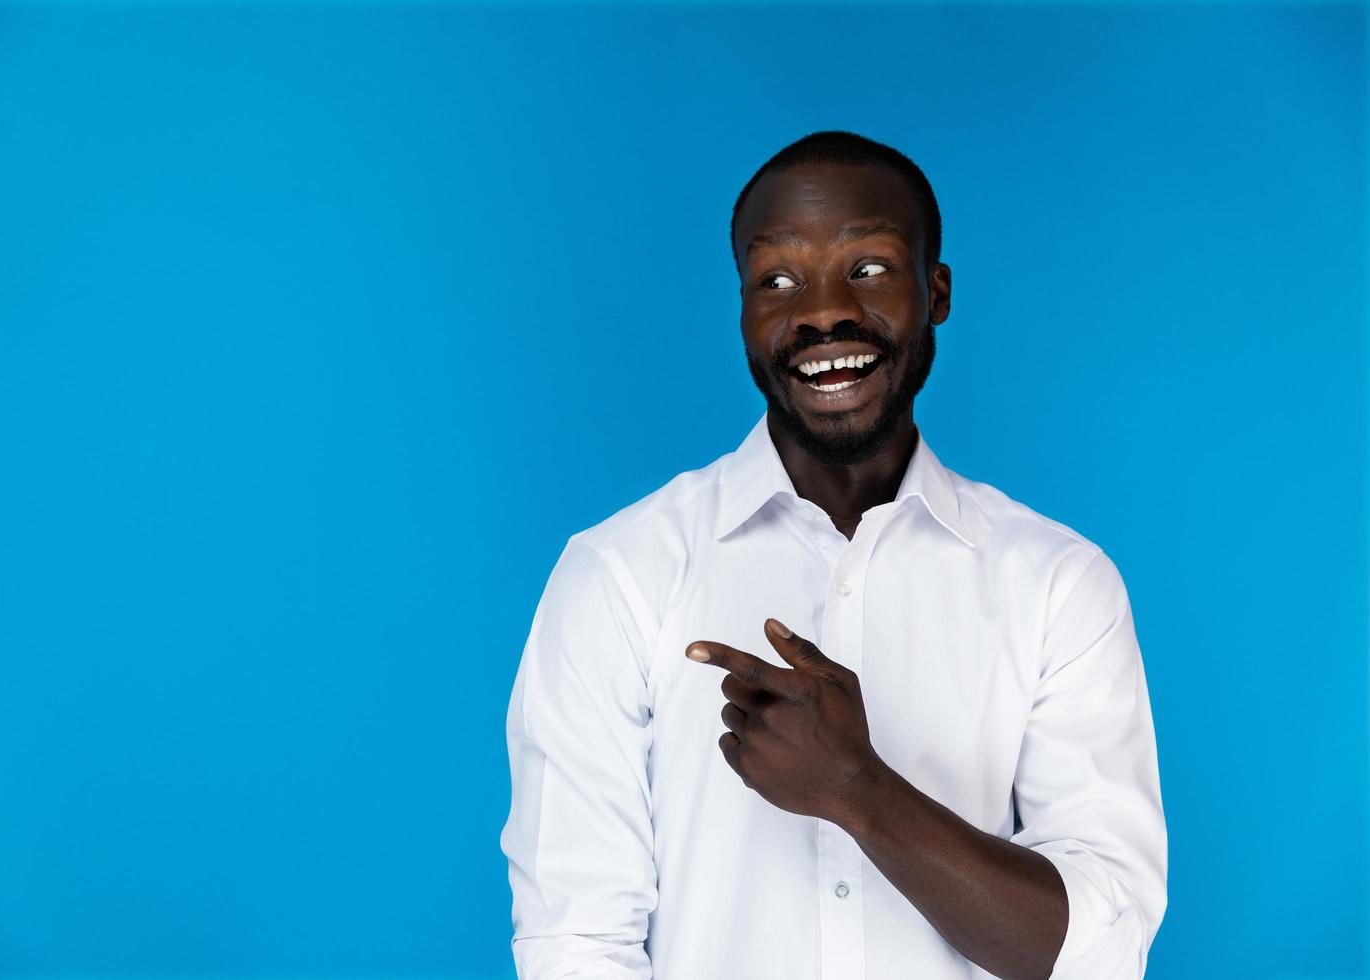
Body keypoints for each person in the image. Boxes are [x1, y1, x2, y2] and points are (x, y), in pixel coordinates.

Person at [498, 130, 1167, 980]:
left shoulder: (1058, 585)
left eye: (869, 268)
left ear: (937, 291)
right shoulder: (619, 575)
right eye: (777, 280)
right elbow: (575, 947)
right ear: (743, 312)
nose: (820, 312)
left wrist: (856, 787)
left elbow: (1098, 953)